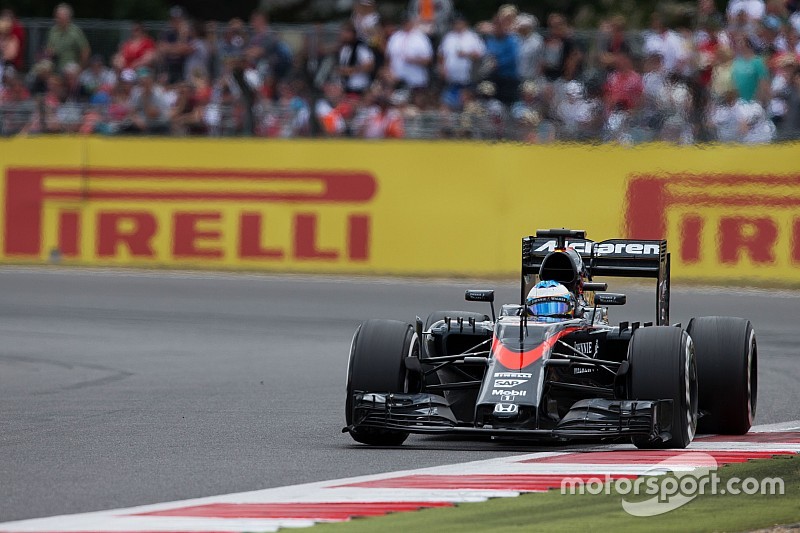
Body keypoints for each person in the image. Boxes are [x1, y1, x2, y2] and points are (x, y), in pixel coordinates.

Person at [438, 14, 485, 109]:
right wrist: (442, 67)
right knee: (445, 104)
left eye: (459, 23)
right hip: (451, 80)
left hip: (467, 79)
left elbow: (480, 54)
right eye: (455, 23)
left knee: (466, 105)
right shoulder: (449, 37)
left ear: (465, 23)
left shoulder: (472, 37)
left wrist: (466, 54)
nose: (457, 25)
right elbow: (441, 54)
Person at [386, 16, 433, 89]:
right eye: (404, 22)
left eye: (408, 22)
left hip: (415, 80)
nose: (406, 24)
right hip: (396, 80)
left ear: (412, 23)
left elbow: (428, 60)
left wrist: (414, 60)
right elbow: (388, 57)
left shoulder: (421, 38)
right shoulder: (395, 36)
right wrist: (389, 72)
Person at [45, 3, 90, 72]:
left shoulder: (76, 32)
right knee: (41, 69)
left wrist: (80, 68)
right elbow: (48, 49)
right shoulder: (53, 31)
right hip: (55, 64)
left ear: (68, 18)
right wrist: (49, 52)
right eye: (57, 17)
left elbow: (85, 50)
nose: (57, 19)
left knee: (69, 71)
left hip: (71, 66)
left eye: (60, 18)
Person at [337, 22, 375, 95]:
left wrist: (352, 70)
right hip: (346, 87)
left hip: (360, 87)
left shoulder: (360, 47)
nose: (343, 35)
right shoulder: (344, 48)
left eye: (346, 33)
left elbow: (370, 65)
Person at [516, 14, 543, 82]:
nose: (522, 29)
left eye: (525, 27)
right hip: (515, 77)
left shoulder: (537, 41)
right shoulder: (514, 39)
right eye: (521, 27)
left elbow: (541, 60)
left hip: (531, 77)